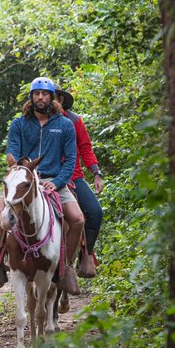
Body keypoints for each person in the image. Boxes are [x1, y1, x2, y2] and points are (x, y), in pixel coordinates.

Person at [0, 77, 84, 295]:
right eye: (37, 94)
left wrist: (56, 183)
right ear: (31, 97)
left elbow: (71, 160)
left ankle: (65, 268)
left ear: (52, 98)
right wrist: (23, 172)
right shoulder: (19, 124)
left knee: (78, 219)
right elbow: (13, 153)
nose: (41, 97)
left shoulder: (65, 125)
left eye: (45, 94)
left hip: (53, 181)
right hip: (23, 181)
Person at [54, 85, 104, 277]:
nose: (53, 101)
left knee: (95, 212)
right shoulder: (36, 121)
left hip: (73, 176)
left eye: (56, 97)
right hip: (44, 175)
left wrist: (96, 172)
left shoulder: (74, 121)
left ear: (62, 99)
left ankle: (87, 254)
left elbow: (85, 148)